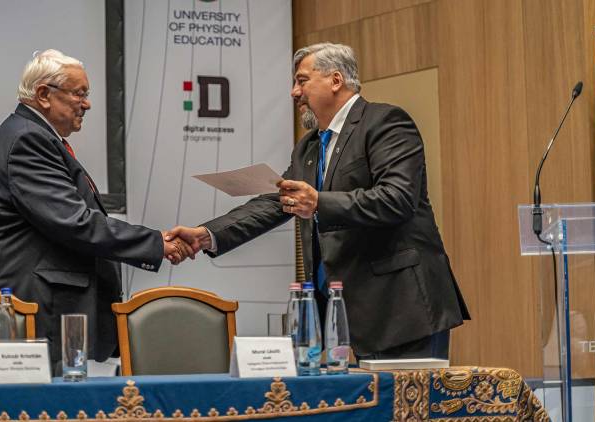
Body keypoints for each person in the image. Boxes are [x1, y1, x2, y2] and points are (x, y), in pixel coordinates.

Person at [167, 43, 470, 360]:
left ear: (335, 80)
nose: (294, 92)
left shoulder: (386, 123)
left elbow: (397, 198)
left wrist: (319, 203)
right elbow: (276, 202)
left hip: (403, 309)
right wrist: (206, 235)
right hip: (348, 314)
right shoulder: (309, 147)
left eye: (302, 80)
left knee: (408, 396)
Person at [0, 49, 191, 366]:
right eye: (79, 94)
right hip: (25, 308)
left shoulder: (33, 135)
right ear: (43, 95)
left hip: (38, 308)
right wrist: (156, 243)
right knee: (30, 398)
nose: (87, 104)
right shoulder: (28, 140)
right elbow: (74, 221)